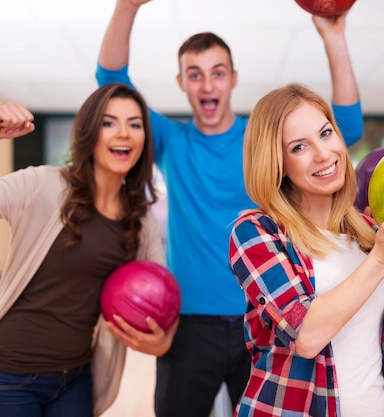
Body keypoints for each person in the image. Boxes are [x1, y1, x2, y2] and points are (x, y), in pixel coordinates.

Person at [96, 1, 365, 415]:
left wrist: (335, 37)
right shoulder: (170, 139)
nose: (208, 85)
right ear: (181, 82)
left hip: (265, 317)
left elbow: (347, 128)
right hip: (188, 322)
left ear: (233, 79)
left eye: (217, 73)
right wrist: (127, 6)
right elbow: (110, 82)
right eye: (195, 75)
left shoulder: (261, 142)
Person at [228, 83, 384, 417]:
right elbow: (306, 336)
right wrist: (382, 260)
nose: (323, 154)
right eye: (299, 146)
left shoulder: (369, 235)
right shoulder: (258, 232)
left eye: (326, 133)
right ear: (277, 162)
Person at [0, 84, 177, 417]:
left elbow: (164, 297)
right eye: (109, 122)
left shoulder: (141, 218)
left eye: (135, 124)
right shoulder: (42, 185)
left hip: (75, 377)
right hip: (8, 375)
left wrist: (162, 341)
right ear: (90, 132)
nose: (124, 133)